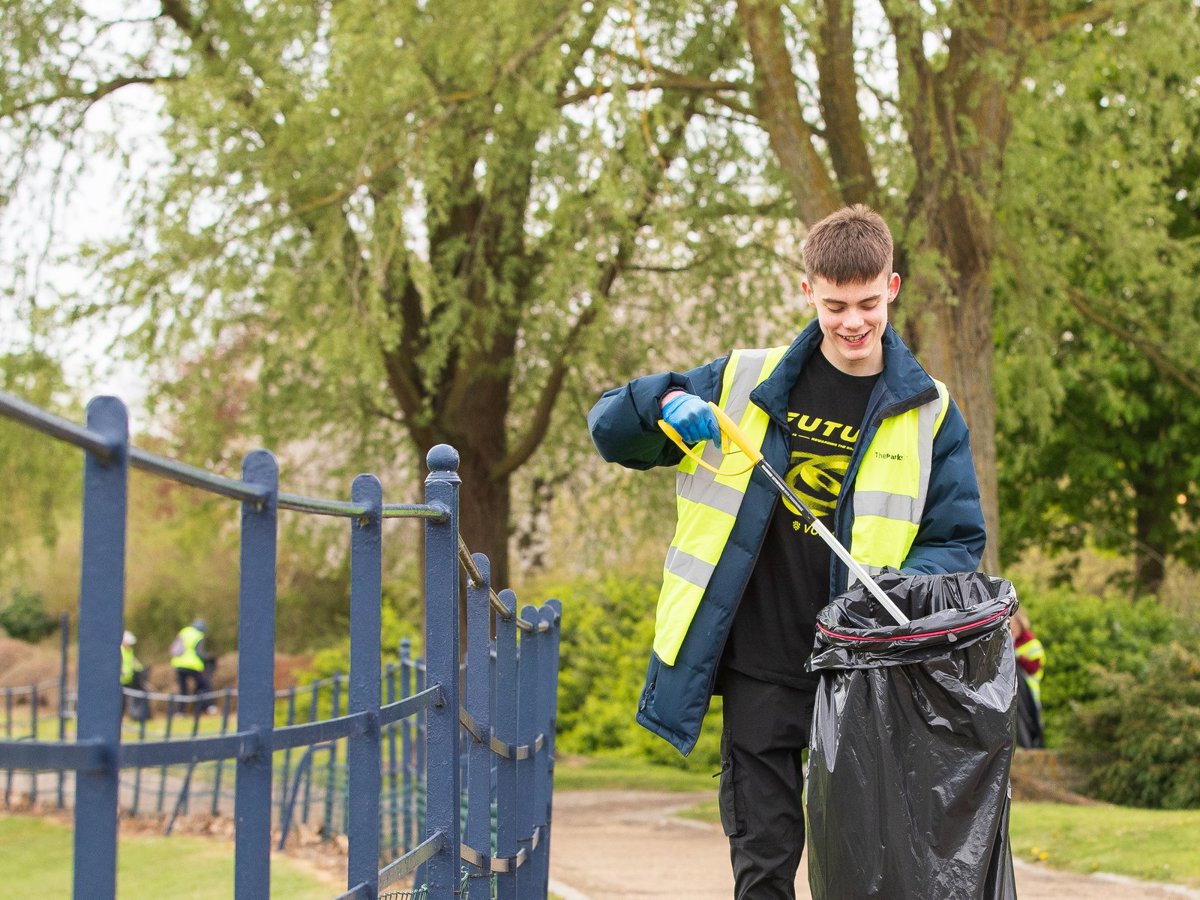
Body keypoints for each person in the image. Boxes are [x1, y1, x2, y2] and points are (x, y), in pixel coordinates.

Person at [587, 204, 986, 899]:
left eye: (867, 302)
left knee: (865, 869)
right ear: (808, 293)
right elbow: (610, 431)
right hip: (761, 670)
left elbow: (955, 543)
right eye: (835, 305)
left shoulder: (932, 411)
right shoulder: (745, 381)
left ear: (892, 286)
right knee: (763, 866)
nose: (853, 322)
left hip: (862, 675)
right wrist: (660, 406)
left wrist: (889, 596)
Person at [1011, 608, 1046, 748]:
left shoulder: (1031, 643)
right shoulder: (1011, 641)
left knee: (1033, 724)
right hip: (1016, 695)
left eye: (1013, 623)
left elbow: (1034, 668)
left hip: (1029, 693)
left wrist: (1018, 657)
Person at [170, 618, 214, 712]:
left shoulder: (184, 632)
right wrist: (207, 659)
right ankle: (206, 707)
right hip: (193, 665)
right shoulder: (198, 635)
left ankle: (180, 712)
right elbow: (199, 653)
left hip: (178, 665)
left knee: (183, 690)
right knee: (203, 685)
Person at [120, 630, 149, 721]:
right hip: (120, 680)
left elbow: (134, 662)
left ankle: (122, 718)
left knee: (125, 702)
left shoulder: (130, 651)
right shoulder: (120, 650)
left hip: (128, 680)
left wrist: (142, 670)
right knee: (120, 701)